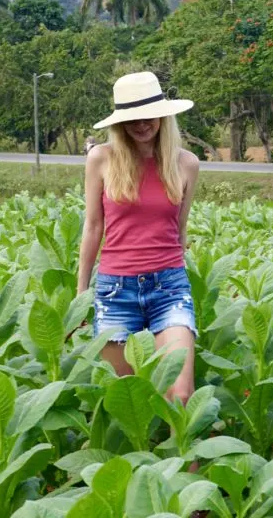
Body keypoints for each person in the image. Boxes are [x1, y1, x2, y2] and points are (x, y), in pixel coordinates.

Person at [77, 71, 200, 405]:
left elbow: (179, 229)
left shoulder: (186, 164)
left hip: (169, 287)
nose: (142, 124)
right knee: (128, 400)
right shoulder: (101, 158)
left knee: (179, 393)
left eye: (149, 116)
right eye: (133, 118)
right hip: (115, 290)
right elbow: (92, 226)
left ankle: (184, 459)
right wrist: (81, 295)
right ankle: (143, 458)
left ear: (162, 115)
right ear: (120, 122)